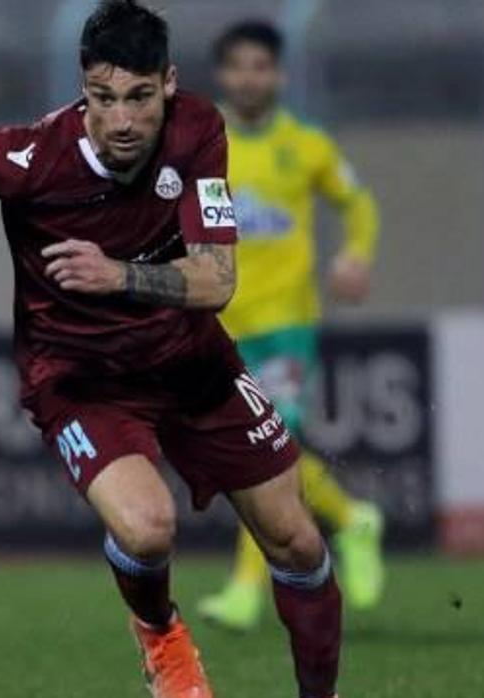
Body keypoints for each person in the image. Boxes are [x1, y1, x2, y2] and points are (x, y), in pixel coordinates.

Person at [0, 1, 342, 697]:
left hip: (192, 364)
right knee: (145, 528)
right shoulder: (30, 159)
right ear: (85, 91)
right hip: (80, 379)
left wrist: (117, 275)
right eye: (104, 99)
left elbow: (216, 280)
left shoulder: (197, 130)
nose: (122, 121)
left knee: (297, 541)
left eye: (139, 97)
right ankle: (161, 638)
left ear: (167, 84)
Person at [197, 19, 385, 632]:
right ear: (222, 75)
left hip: (286, 324)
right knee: (251, 456)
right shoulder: (204, 142)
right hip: (219, 325)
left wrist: (356, 252)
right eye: (238, 67)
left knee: (264, 452)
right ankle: (353, 516)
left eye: (260, 66)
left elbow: (357, 203)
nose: (249, 78)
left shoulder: (308, 146)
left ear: (277, 74)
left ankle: (247, 591)